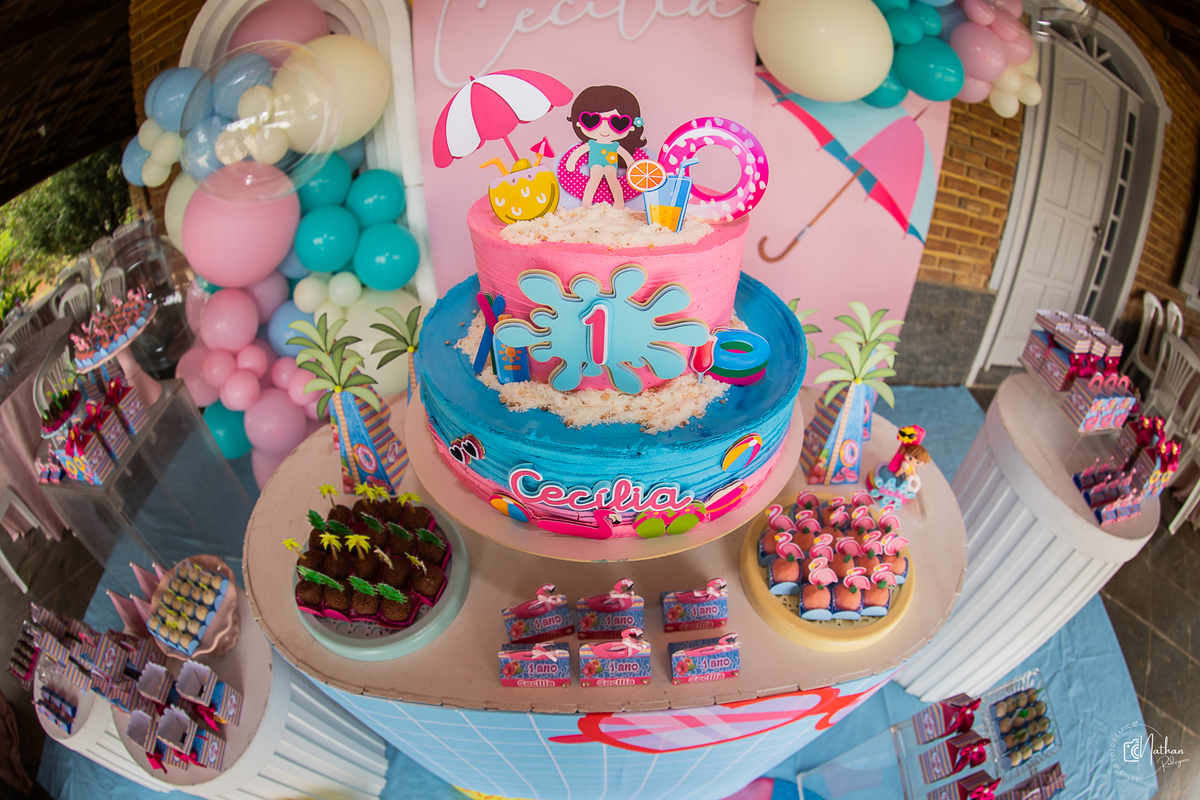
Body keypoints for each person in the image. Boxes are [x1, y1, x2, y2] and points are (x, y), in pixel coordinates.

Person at [563, 85, 646, 208]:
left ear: (631, 127)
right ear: (579, 123)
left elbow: (626, 156)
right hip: (595, 165)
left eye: (617, 123)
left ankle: (619, 202)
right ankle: (587, 203)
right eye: (593, 121)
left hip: (611, 166)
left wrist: (631, 166)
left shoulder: (615, 146)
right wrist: (571, 163)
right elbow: (578, 153)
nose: (605, 128)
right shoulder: (591, 144)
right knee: (593, 181)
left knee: (613, 181)